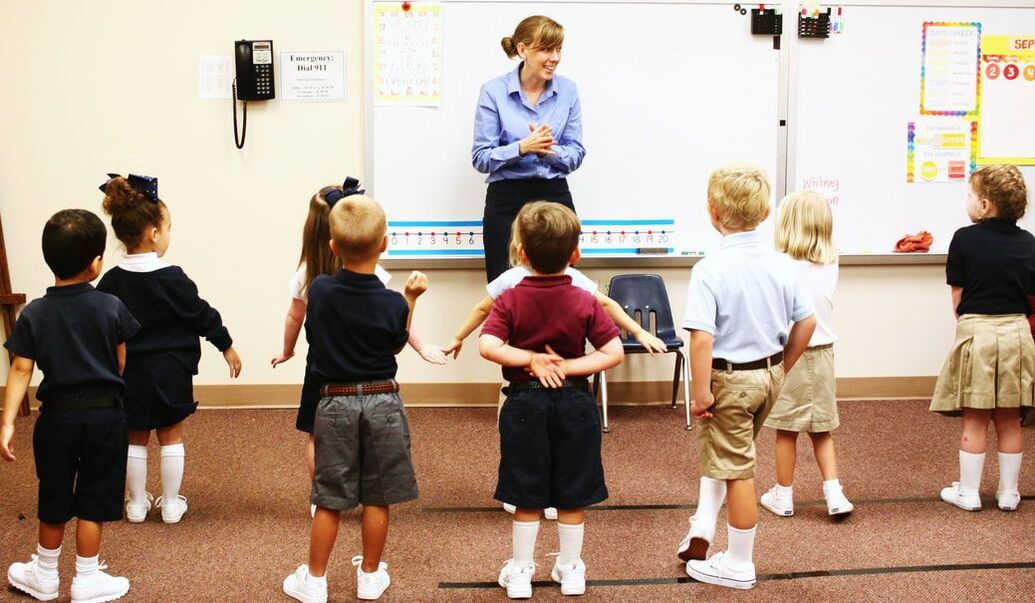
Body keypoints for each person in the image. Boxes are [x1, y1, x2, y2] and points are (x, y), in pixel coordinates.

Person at [676, 164, 815, 590]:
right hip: (768, 375)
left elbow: (701, 339)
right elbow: (807, 322)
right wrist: (782, 368)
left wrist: (701, 393)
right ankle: (703, 522)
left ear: (713, 211)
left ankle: (738, 564)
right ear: (766, 212)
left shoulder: (710, 269)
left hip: (729, 382)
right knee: (730, 452)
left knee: (737, 469)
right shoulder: (783, 264)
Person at [269, 178, 445, 514]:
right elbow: (395, 319)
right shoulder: (374, 272)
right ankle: (367, 494)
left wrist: (287, 349)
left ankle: (323, 497)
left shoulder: (310, 278)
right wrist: (420, 345)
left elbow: (294, 316)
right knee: (366, 433)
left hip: (324, 366)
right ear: (380, 243)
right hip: (369, 369)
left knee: (318, 435)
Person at [282, 195, 425, 602]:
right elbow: (395, 343)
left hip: (335, 401)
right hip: (383, 401)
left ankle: (315, 581)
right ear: (385, 245)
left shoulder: (322, 290)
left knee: (328, 498)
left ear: (332, 247)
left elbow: (314, 329)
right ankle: (370, 576)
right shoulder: (393, 301)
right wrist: (410, 300)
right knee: (377, 496)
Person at [479, 201, 624, 599]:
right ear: (575, 255)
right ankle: (571, 568)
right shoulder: (584, 299)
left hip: (524, 404)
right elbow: (612, 352)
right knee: (572, 491)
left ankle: (521, 572)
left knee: (526, 490)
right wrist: (569, 366)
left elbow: (488, 345)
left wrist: (531, 360)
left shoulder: (510, 299)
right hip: (575, 403)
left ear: (521, 253)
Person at [2, 209, 140, 603]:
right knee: (94, 499)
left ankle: (45, 574)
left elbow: (20, 369)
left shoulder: (34, 313)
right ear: (96, 263)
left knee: (55, 495)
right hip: (105, 416)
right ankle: (87, 578)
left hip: (57, 419)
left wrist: (7, 422)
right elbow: (121, 362)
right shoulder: (112, 306)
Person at [96, 174, 242, 525]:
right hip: (171, 369)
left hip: (128, 370)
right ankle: (172, 504)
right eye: (169, 228)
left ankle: (136, 504)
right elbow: (200, 314)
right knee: (170, 434)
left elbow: (99, 324)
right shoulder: (172, 277)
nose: (169, 234)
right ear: (153, 234)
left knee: (135, 436)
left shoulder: (111, 281)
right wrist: (226, 345)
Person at [930, 164, 1034, 512]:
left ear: (986, 205)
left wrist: (970, 325)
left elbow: (957, 299)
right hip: (1017, 332)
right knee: (1009, 417)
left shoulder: (964, 238)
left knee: (975, 417)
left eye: (970, 196)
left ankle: (969, 492)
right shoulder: (1029, 243)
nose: (968, 201)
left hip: (978, 331)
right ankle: (1008, 493)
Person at [759, 191, 854, 518]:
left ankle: (783, 496)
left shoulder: (778, 265)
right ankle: (834, 494)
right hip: (823, 355)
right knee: (821, 429)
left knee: (786, 430)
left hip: (790, 354)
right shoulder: (831, 261)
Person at [472, 15, 586, 283]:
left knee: (561, 287)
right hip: (506, 200)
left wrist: (548, 150)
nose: (554, 57)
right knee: (504, 287)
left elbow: (576, 153)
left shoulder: (568, 91)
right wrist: (522, 148)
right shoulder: (493, 92)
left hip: (554, 196)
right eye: (546, 49)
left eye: (558, 49)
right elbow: (480, 158)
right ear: (523, 50)